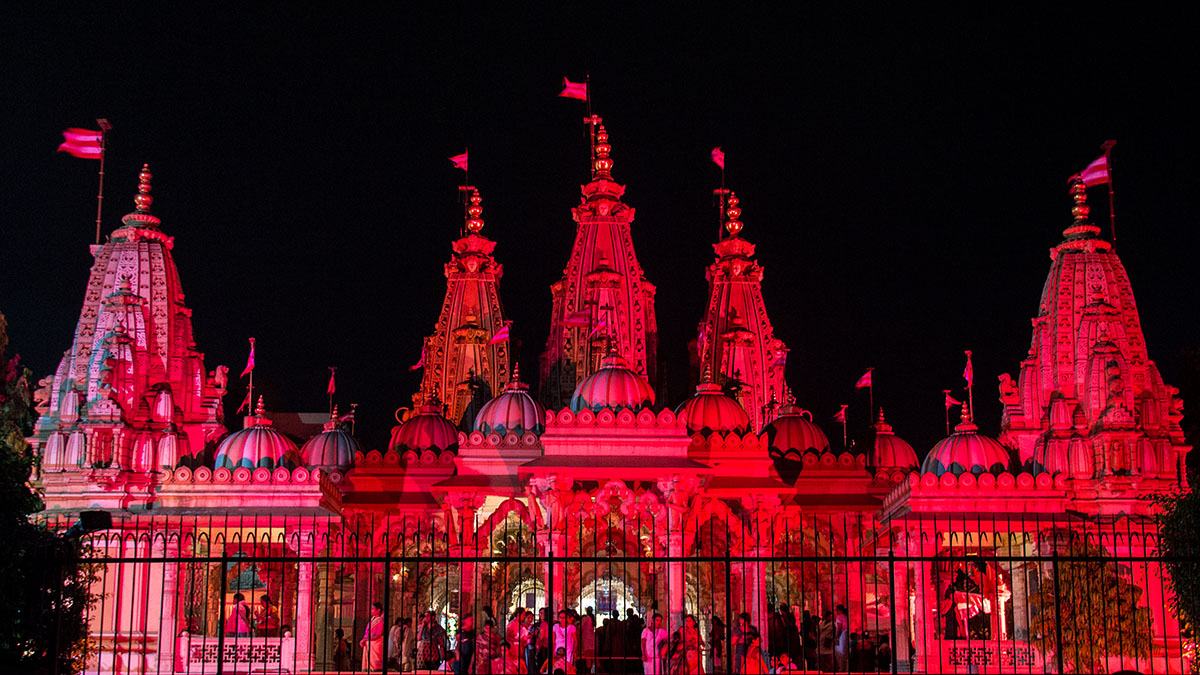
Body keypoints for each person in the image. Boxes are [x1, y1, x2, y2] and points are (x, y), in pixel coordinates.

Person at [362, 602, 387, 671]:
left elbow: (378, 634)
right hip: (369, 645)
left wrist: (366, 639)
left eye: (373, 609)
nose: (371, 610)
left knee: (374, 665)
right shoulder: (372, 619)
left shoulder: (380, 621)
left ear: (378, 610)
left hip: (375, 645)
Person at [833, 605, 849, 673]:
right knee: (844, 652)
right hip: (845, 634)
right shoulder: (845, 617)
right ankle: (845, 667)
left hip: (841, 635)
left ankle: (841, 668)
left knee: (839, 652)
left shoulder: (839, 617)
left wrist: (836, 637)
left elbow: (839, 627)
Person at [581, 606, 596, 673]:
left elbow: (581, 627)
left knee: (587, 657)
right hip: (592, 640)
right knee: (592, 657)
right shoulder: (592, 618)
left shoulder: (586, 619)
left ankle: (588, 671)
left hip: (586, 640)